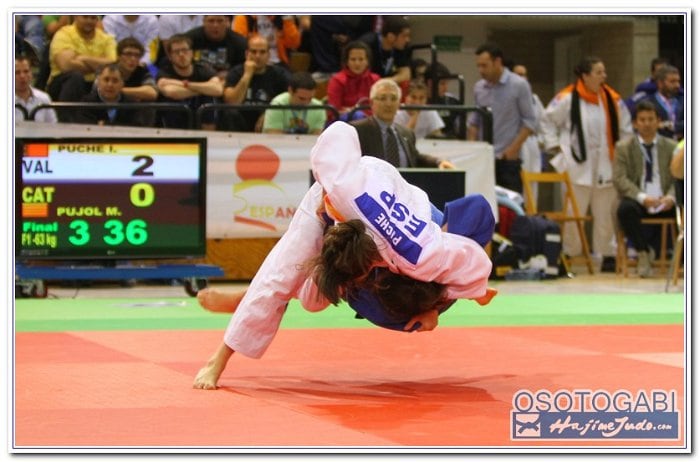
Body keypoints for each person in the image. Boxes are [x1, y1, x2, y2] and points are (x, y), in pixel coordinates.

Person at [193, 122, 494, 389]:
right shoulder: (339, 188)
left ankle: (266, 298)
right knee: (285, 281)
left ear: (373, 267)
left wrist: (470, 293)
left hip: (407, 206)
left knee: (351, 301)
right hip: (342, 190)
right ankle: (225, 347)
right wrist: (327, 195)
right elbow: (340, 132)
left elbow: (474, 261)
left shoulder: (417, 253)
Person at [541, 56, 633, 273]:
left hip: (607, 165)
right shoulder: (566, 98)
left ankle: (607, 254)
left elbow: (626, 130)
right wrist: (556, 151)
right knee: (574, 212)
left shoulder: (613, 99)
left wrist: (622, 158)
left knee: (606, 214)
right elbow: (546, 122)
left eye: (604, 72)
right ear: (585, 75)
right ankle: (571, 254)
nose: (604, 76)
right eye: (599, 72)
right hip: (576, 165)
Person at [613, 100, 677, 278]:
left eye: (651, 119)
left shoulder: (672, 147)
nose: (647, 124)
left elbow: (679, 178)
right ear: (635, 123)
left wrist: (670, 198)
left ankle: (682, 258)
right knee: (625, 209)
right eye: (642, 120)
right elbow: (620, 179)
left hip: (664, 200)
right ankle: (643, 251)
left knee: (686, 209)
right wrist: (642, 197)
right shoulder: (623, 147)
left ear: (658, 121)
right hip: (638, 199)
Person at [467, 43, 537, 194]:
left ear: (497, 62)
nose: (481, 70)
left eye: (484, 65)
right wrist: (472, 146)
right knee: (482, 204)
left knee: (510, 207)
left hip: (507, 159)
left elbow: (530, 121)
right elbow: (475, 121)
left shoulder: (519, 85)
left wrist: (512, 150)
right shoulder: (479, 87)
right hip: (483, 158)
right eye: (478, 66)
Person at [350, 79, 454, 169]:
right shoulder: (358, 130)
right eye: (382, 98)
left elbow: (415, 157)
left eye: (394, 99)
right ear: (372, 103)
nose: (388, 104)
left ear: (399, 103)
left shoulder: (407, 133)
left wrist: (439, 162)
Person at [47, 15, 117, 120]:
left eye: (93, 18)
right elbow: (66, 66)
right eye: (85, 17)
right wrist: (98, 64)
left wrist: (81, 57)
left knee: (109, 80)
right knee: (76, 77)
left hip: (94, 84)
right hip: (63, 84)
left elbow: (112, 65)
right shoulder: (64, 34)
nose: (89, 21)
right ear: (75, 17)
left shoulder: (106, 38)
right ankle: (67, 124)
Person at [221, 35, 290, 132]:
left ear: (269, 55)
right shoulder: (235, 72)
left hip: (267, 121)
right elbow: (232, 103)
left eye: (262, 52)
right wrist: (247, 75)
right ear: (246, 54)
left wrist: (268, 114)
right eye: (253, 52)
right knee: (230, 114)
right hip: (241, 122)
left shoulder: (279, 75)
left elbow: (288, 100)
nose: (257, 56)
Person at [155, 34, 223, 130]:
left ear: (192, 53)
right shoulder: (164, 72)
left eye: (185, 50)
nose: (181, 55)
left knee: (209, 99)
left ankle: (208, 137)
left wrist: (185, 84)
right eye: (176, 52)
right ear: (170, 57)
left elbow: (218, 89)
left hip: (200, 115)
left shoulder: (203, 69)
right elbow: (172, 92)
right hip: (174, 121)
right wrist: (204, 89)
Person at [512, 63, 546, 203]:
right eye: (519, 75)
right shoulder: (510, 97)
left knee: (533, 186)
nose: (523, 78)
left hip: (532, 144)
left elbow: (544, 122)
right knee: (519, 185)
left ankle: (532, 220)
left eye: (524, 74)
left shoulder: (534, 98)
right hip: (516, 143)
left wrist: (541, 141)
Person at [75, 63, 147, 127]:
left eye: (115, 81)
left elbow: (137, 128)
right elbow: (85, 128)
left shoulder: (132, 105)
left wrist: (107, 125)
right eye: (106, 80)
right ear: (98, 82)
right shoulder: (86, 103)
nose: (110, 85)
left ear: (122, 84)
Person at [326, 40, 380, 121]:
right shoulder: (337, 80)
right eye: (353, 59)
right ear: (346, 62)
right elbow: (333, 112)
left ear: (367, 62)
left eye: (361, 59)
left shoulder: (375, 80)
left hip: (371, 122)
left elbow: (379, 107)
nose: (357, 63)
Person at [262, 71, 327, 135]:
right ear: (290, 91)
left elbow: (316, 137)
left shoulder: (319, 107)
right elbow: (274, 134)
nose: (306, 103)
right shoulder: (278, 104)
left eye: (310, 98)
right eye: (302, 98)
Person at [186, 15, 247, 82]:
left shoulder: (240, 43)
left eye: (220, 21)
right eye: (211, 21)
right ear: (203, 22)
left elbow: (245, 68)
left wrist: (230, 74)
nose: (215, 25)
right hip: (195, 82)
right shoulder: (189, 39)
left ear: (227, 22)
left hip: (227, 83)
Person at [232, 15, 301, 70]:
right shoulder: (244, 17)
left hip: (278, 63)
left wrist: (287, 20)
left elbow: (294, 44)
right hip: (253, 63)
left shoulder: (282, 18)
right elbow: (240, 46)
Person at [359, 16, 411, 86]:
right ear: (390, 36)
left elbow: (406, 74)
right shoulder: (367, 44)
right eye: (404, 36)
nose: (408, 40)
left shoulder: (401, 47)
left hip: (382, 86)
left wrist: (383, 82)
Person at [644, 64, 683, 141]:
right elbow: (648, 128)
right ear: (660, 83)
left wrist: (670, 125)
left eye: (678, 81)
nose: (677, 85)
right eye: (672, 82)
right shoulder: (648, 103)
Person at [15, 55, 57, 124]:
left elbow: (54, 127)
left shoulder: (44, 98)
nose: (22, 76)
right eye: (17, 73)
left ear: (31, 74)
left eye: (26, 71)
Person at [425, 62, 462, 139]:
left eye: (447, 83)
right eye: (442, 83)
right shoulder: (418, 102)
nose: (446, 88)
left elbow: (460, 130)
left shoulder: (453, 102)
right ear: (430, 83)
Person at [115, 37, 158, 102]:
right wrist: (137, 94)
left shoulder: (143, 70)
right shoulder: (109, 70)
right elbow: (101, 91)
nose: (133, 59)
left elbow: (152, 93)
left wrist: (119, 91)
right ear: (119, 56)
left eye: (137, 55)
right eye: (128, 54)